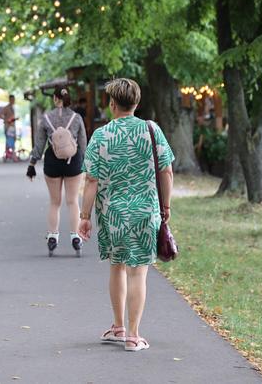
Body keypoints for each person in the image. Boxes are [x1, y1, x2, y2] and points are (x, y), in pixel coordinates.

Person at [78, 78, 174, 352]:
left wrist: (84, 216)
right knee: (138, 273)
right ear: (137, 102)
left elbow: (91, 181)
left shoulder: (101, 135)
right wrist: (165, 206)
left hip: (113, 214)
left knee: (117, 266)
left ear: (111, 104)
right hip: (146, 212)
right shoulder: (151, 130)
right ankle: (133, 335)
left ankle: (118, 326)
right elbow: (166, 171)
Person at [26, 88, 87, 256]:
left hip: (52, 162)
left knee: (55, 202)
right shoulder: (77, 118)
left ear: (55, 99)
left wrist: (32, 164)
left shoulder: (46, 118)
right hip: (73, 162)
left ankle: (53, 236)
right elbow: (83, 144)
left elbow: (39, 144)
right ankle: (76, 237)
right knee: (73, 201)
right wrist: (87, 165)